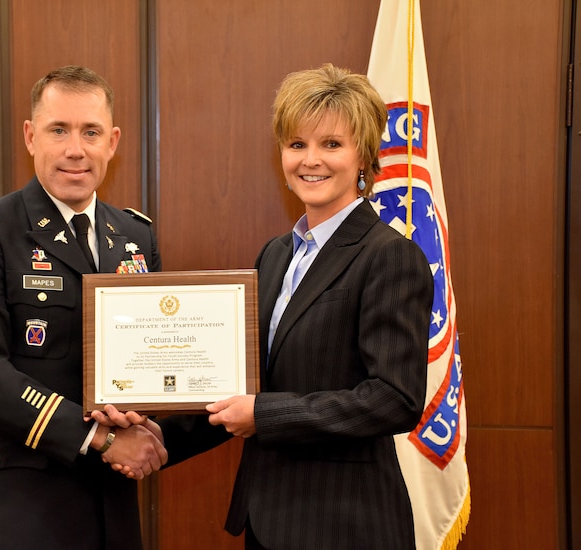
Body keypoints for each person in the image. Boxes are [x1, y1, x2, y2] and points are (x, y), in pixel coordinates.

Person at [94, 64, 434, 550]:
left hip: (346, 525)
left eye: (331, 144)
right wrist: (158, 441)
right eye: (296, 144)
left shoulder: (389, 256)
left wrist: (265, 415)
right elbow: (242, 384)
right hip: (269, 520)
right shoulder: (277, 255)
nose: (310, 160)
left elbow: (393, 399)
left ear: (364, 156)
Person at [0, 65, 166, 550]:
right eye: (59, 130)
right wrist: (100, 439)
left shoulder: (135, 236)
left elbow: (150, 361)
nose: (75, 149)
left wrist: (156, 426)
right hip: (12, 513)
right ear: (30, 136)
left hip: (108, 511)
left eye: (91, 132)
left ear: (113, 142)